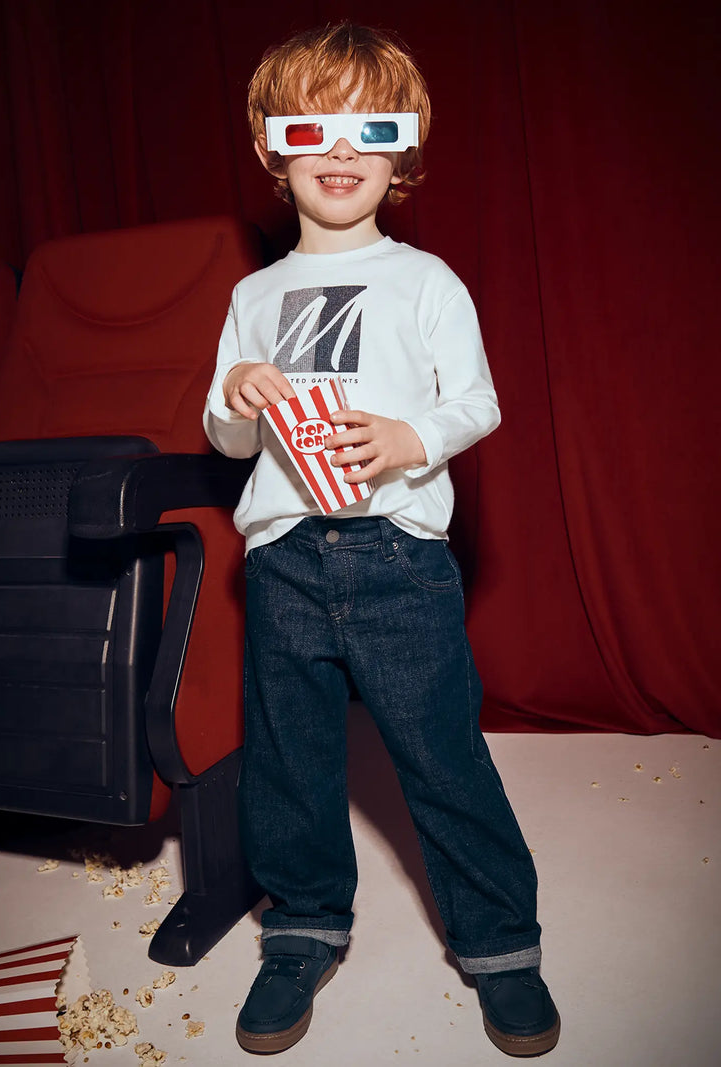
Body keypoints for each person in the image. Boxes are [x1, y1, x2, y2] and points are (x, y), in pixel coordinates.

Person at [202, 21, 560, 1058]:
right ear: (274, 147)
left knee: (441, 755)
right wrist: (233, 390)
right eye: (313, 126)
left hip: (397, 559)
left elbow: (476, 401)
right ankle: (301, 925)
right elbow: (223, 435)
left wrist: (411, 435)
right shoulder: (250, 294)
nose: (342, 149)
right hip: (280, 559)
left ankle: (499, 943)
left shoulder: (425, 280)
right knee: (287, 758)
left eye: (373, 126)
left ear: (401, 151)